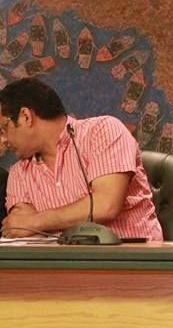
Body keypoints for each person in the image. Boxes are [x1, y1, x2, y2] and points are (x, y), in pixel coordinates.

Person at [0, 77, 163, 240]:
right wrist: (30, 224)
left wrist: (36, 221)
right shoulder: (18, 172)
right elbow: (20, 227)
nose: (2, 140)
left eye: (2, 129)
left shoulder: (103, 131)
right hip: (63, 256)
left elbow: (106, 205)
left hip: (132, 253)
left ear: (26, 117)